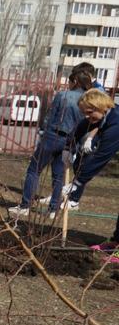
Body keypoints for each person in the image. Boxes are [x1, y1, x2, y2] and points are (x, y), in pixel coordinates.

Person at [8, 69, 93, 219]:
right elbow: (85, 125)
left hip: (53, 136)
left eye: (70, 81)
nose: (69, 84)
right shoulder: (88, 99)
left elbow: (50, 116)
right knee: (59, 176)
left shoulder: (63, 95)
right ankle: (53, 209)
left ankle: (25, 206)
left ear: (76, 82)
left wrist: (42, 132)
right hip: (70, 142)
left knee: (34, 170)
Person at [60, 89, 119, 250]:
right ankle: (116, 242)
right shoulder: (104, 117)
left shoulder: (116, 123)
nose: (86, 117)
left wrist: (77, 182)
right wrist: (68, 146)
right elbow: (82, 126)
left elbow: (100, 158)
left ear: (99, 107)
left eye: (88, 112)